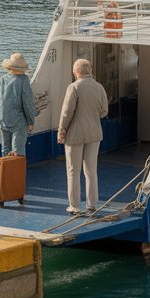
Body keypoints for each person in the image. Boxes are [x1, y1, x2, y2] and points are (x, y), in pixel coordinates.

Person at [57, 58, 108, 215]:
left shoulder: (74, 87)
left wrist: (61, 131)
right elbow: (104, 111)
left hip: (75, 135)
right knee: (91, 170)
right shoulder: (99, 87)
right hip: (94, 134)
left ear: (75, 72)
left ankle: (74, 206)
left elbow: (67, 113)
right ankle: (92, 204)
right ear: (90, 70)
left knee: (73, 170)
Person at [0, 53, 37, 158]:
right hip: (17, 121)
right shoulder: (23, 80)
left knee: (5, 150)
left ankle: (6, 173)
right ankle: (17, 173)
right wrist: (31, 121)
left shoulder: (2, 79)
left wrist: (0, 118)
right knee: (18, 151)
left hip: (2, 119)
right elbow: (27, 103)